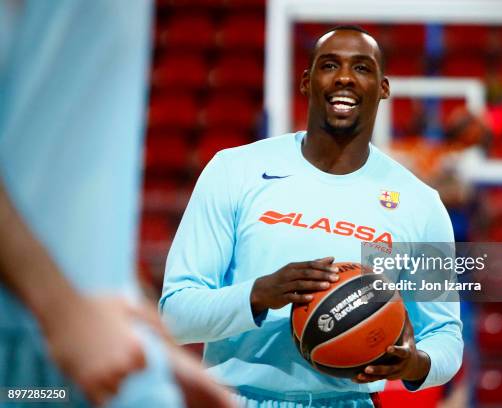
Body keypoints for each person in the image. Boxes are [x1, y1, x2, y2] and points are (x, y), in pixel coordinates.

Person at [161, 25, 463, 407]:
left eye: (362, 68)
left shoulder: (421, 204)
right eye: (330, 65)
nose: (344, 78)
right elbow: (174, 315)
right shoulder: (235, 170)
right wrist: (258, 294)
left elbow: (445, 336)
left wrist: (415, 364)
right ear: (306, 81)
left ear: (383, 88)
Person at [0, 1, 231, 407]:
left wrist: (142, 321)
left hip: (98, 349)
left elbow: (61, 174)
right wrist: (63, 311)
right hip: (32, 360)